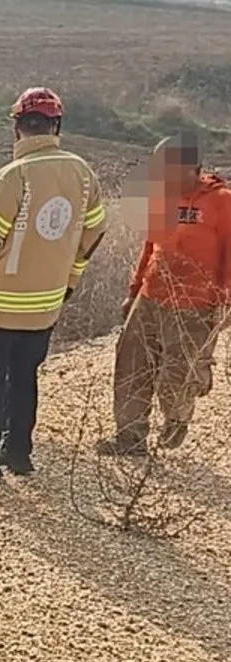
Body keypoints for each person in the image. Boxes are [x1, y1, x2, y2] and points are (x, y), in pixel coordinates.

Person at [0, 86, 108, 480]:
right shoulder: (83, 173)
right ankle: (19, 453)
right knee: (24, 380)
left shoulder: (11, 177)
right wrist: (70, 279)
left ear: (17, 129)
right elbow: (94, 232)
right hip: (45, 308)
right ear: (56, 124)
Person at [98, 135, 231, 456]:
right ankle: (130, 438)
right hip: (151, 297)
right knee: (132, 364)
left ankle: (178, 413)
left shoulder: (222, 201)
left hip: (196, 305)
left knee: (177, 375)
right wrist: (133, 292)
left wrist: (225, 303)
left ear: (190, 167)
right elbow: (149, 247)